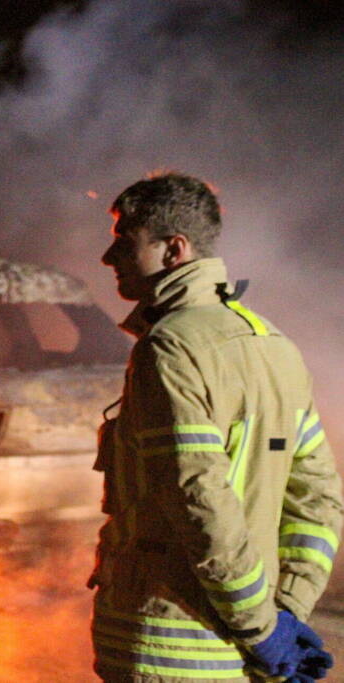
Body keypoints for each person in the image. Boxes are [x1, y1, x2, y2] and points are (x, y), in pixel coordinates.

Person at [90, 172, 343, 682]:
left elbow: (199, 498)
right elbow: (318, 499)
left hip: (169, 648)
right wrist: (285, 611)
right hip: (246, 654)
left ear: (174, 249)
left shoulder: (170, 348)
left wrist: (261, 628)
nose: (108, 257)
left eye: (125, 240)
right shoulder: (274, 345)